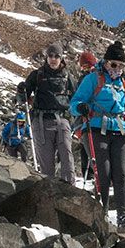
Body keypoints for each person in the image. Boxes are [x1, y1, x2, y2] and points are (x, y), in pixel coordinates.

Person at [69, 40, 125, 227]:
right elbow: (74, 102)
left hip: (120, 131)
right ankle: (102, 214)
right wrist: (81, 107)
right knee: (103, 173)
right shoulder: (93, 79)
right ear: (105, 62)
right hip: (96, 129)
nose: (117, 69)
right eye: (114, 64)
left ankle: (123, 216)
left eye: (121, 65)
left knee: (121, 174)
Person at [18, 43, 76, 182]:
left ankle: (70, 188)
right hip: (41, 121)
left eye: (57, 56)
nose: (53, 59)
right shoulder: (37, 75)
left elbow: (76, 98)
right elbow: (23, 98)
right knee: (46, 163)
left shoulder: (67, 76)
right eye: (50, 56)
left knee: (67, 158)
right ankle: (50, 190)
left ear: (61, 58)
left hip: (62, 120)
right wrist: (21, 91)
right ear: (46, 57)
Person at [74, 49, 98, 178]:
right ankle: (87, 173)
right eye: (84, 67)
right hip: (83, 117)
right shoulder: (82, 80)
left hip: (96, 116)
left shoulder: (98, 79)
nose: (86, 69)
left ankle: (92, 173)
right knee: (85, 143)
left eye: (88, 66)